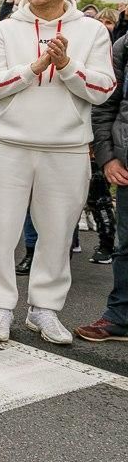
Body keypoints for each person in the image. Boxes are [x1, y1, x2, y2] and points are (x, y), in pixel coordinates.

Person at [0, 0, 115, 345]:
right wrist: (33, 68)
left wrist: (67, 65)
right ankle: (0, 307)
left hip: (66, 147)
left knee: (58, 231)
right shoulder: (4, 29)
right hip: (8, 144)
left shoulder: (91, 31)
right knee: (0, 230)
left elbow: (103, 89)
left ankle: (45, 309)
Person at [78, 25, 128, 342]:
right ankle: (120, 317)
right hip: (125, 165)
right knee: (127, 247)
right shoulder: (124, 45)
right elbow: (106, 103)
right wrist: (108, 157)